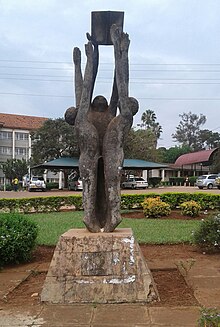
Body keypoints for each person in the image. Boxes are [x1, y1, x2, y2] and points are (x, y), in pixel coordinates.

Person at [65, 25, 138, 232]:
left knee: (106, 188)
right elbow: (83, 90)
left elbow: (117, 86)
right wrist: (88, 59)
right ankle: (94, 218)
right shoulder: (85, 115)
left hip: (106, 155)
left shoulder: (109, 114)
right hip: (98, 155)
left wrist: (93, 58)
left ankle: (106, 217)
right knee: (94, 188)